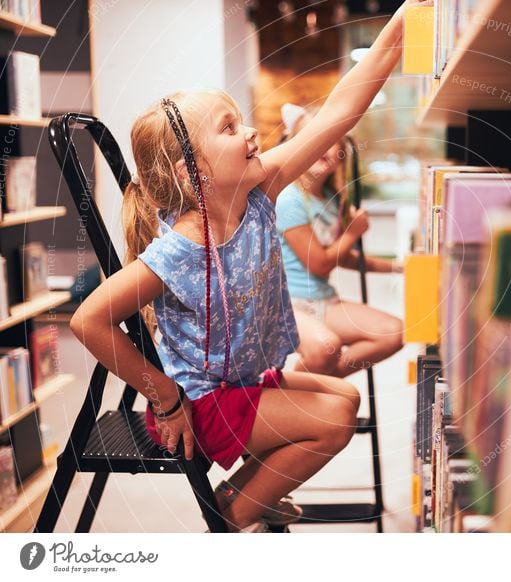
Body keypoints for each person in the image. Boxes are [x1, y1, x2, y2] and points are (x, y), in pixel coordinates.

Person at [69, 0, 424, 533]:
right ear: (195, 176)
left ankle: (239, 496)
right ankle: (233, 519)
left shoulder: (261, 192)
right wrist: (164, 399)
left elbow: (334, 118)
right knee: (335, 422)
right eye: (229, 127)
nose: (251, 133)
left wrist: (398, 31)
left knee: (345, 395)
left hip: (244, 383)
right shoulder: (180, 249)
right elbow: (87, 320)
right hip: (205, 404)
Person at [275, 104, 404, 378]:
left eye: (331, 141)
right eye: (314, 140)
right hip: (290, 305)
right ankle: (302, 388)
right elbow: (320, 265)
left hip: (325, 301)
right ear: (297, 147)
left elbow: (340, 257)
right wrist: (353, 233)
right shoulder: (289, 199)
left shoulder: (331, 199)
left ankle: (310, 384)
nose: (324, 148)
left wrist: (398, 267)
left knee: (393, 333)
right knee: (327, 347)